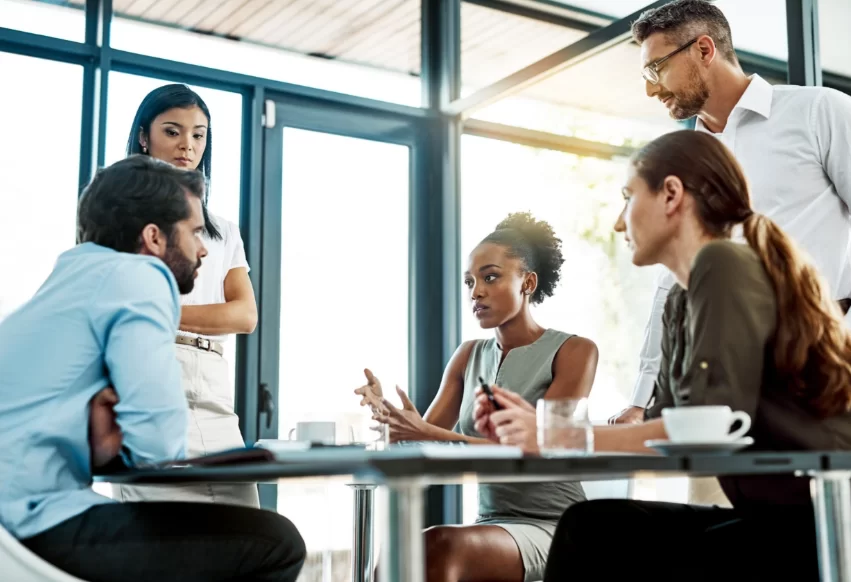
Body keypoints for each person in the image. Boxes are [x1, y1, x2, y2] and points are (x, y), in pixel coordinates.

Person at [474, 131, 851, 581]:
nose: (618, 223)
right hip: (787, 520)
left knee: (595, 535)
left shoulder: (723, 264)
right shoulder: (680, 301)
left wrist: (555, 436)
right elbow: (671, 431)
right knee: (593, 528)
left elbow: (706, 428)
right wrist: (535, 425)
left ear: (671, 194)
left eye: (628, 197)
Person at [0, 155, 306, 581]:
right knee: (278, 542)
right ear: (154, 238)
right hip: (38, 522)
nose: (203, 248)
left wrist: (105, 436)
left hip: (12, 527)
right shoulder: (141, 277)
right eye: (195, 232)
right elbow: (159, 442)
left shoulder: (68, 279)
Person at [610, 0, 851, 428]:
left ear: (703, 49)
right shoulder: (685, 162)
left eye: (655, 68)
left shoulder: (820, 112)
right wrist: (645, 398)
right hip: (725, 392)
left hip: (824, 382)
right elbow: (672, 283)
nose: (650, 89)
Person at [356, 212, 599, 582]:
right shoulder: (468, 355)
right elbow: (425, 442)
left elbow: (544, 445)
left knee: (435, 547)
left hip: (556, 526)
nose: (476, 292)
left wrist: (428, 433)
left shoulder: (575, 352)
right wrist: (389, 418)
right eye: (470, 281)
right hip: (492, 523)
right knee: (399, 557)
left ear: (528, 283)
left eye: (490, 277)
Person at [111, 84, 259, 508]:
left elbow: (245, 315)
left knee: (245, 527)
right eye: (173, 131)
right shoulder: (119, 217)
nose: (187, 145)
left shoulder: (222, 229)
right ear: (144, 135)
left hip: (213, 388)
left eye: (198, 135)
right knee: (160, 539)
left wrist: (162, 311)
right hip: (152, 378)